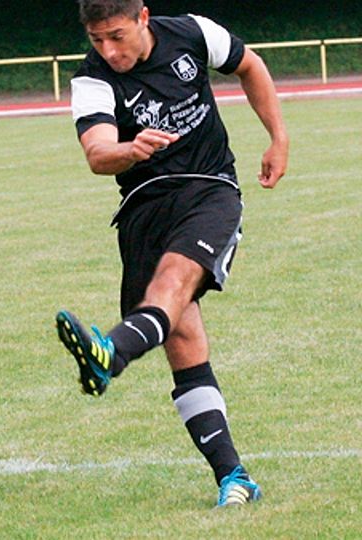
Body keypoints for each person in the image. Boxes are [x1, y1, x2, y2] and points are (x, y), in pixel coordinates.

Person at [56, 0, 288, 507]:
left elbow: (249, 64)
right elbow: (98, 154)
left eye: (116, 36)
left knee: (173, 283)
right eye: (97, 40)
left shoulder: (193, 33)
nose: (108, 50)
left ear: (142, 17)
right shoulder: (92, 80)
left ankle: (111, 354)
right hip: (143, 206)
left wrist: (278, 137)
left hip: (210, 190)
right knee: (181, 339)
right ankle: (235, 477)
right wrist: (130, 149)